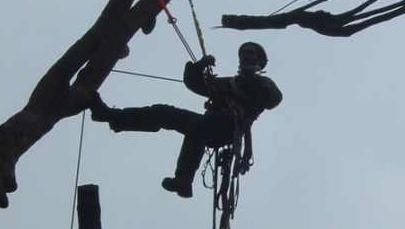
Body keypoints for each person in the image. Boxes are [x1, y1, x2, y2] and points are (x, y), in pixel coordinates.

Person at [90, 42, 282, 198]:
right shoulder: (227, 82)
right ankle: (111, 117)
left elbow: (274, 99)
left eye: (251, 53)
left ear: (259, 60)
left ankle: (184, 179)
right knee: (164, 112)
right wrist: (200, 65)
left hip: (231, 126)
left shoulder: (264, 82)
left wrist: (252, 80)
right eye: (244, 53)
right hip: (213, 121)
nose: (246, 56)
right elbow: (194, 83)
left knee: (197, 127)